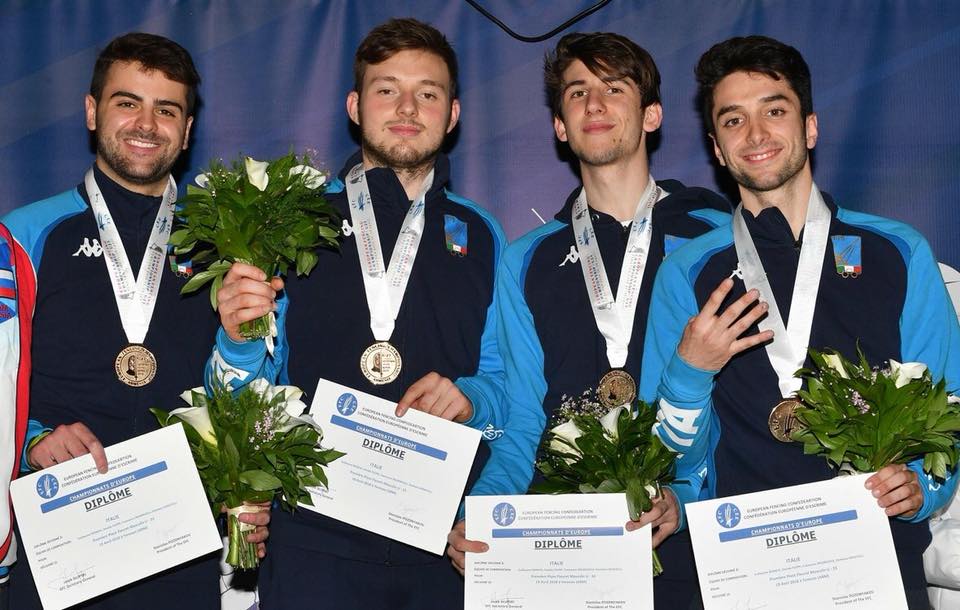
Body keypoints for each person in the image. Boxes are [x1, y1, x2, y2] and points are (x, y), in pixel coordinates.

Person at [642, 35, 960, 609]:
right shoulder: (686, 272)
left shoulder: (897, 251)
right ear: (717, 149)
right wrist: (688, 373)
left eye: (774, 111)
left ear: (810, 128)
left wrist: (922, 484)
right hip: (742, 569)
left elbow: (950, 406)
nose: (755, 134)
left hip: (876, 566)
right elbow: (670, 458)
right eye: (733, 120)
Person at [208, 18, 506, 610]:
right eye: (386, 89)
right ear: (354, 106)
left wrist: (473, 399)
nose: (407, 108)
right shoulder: (288, 222)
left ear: (452, 115)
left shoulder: (481, 233)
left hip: (441, 544)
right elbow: (244, 392)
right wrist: (236, 342)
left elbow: (506, 386)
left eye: (428, 93)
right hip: (313, 540)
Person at [444, 32, 731, 609]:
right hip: (561, 551)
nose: (594, 104)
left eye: (614, 89)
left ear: (652, 115)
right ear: (560, 125)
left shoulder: (716, 238)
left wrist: (684, 497)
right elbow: (524, 421)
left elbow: (742, 403)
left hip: (682, 543)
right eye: (577, 92)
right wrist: (481, 512)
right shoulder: (527, 260)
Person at [0, 32, 269, 609]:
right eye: (127, 103)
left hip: (184, 541)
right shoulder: (23, 235)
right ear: (91, 111)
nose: (146, 124)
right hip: (61, 535)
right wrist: (33, 440)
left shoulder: (227, 242)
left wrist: (240, 346)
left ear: (187, 130)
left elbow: (255, 392)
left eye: (166, 110)